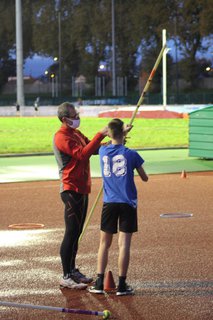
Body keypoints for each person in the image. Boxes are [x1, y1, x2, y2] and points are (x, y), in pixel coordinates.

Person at [89, 118, 148, 296]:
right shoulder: (132, 154)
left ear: (109, 132)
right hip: (128, 203)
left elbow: (113, 141)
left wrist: (122, 133)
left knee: (104, 244)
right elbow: (145, 178)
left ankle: (99, 282)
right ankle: (122, 284)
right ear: (124, 133)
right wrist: (124, 134)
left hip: (110, 203)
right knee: (124, 245)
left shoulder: (102, 151)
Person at [53, 102, 108, 290]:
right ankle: (66, 275)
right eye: (74, 115)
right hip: (71, 189)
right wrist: (101, 133)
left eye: (77, 113)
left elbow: (92, 148)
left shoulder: (75, 134)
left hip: (82, 188)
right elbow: (83, 155)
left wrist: (115, 141)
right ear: (65, 119)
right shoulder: (61, 136)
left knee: (77, 233)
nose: (77, 117)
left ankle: (72, 270)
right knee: (71, 233)